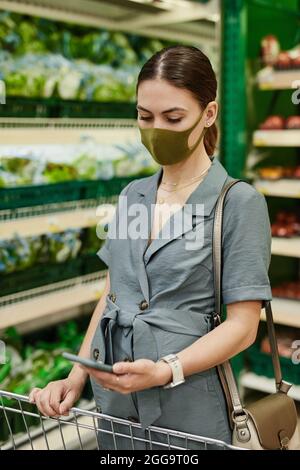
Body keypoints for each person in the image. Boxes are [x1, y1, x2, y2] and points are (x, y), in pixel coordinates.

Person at [29, 45, 272, 450]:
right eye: (145, 117)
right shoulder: (133, 195)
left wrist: (165, 370)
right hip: (116, 408)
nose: (156, 129)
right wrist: (75, 378)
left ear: (208, 114)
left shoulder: (238, 203)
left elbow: (243, 326)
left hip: (188, 407)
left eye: (173, 118)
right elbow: (113, 293)